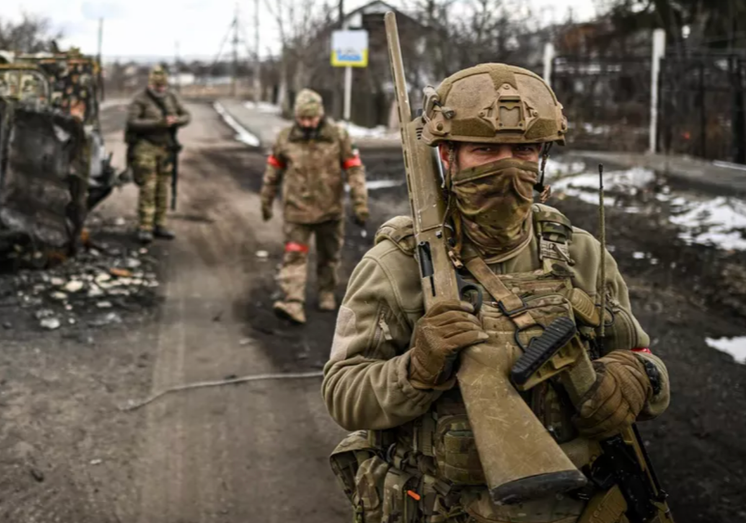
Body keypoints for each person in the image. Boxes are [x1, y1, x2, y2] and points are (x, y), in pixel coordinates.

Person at [321, 63, 670, 523]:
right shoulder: (397, 265)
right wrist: (416, 370)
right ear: (448, 156)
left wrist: (636, 376)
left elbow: (642, 356)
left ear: (542, 156)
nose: (508, 166)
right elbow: (343, 392)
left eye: (524, 150)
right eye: (485, 149)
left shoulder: (580, 252)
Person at [260, 88, 368, 325]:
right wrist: (266, 199)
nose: (307, 123)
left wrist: (360, 203)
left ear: (320, 115)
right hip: (296, 211)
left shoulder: (338, 136)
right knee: (294, 256)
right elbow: (273, 171)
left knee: (329, 256)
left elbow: (354, 169)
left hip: (330, 210)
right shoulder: (285, 138)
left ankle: (326, 291)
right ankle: (293, 302)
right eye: (302, 118)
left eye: (311, 118)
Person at [125, 65, 190, 245]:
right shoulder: (140, 99)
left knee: (163, 187)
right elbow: (133, 122)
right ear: (151, 84)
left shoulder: (171, 96)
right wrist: (158, 123)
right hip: (145, 146)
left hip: (165, 147)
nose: (161, 89)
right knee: (148, 186)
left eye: (163, 86)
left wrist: (176, 120)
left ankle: (159, 223)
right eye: (157, 86)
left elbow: (186, 115)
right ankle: (145, 226)